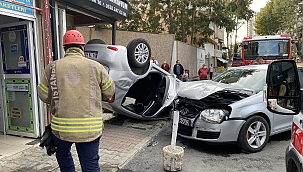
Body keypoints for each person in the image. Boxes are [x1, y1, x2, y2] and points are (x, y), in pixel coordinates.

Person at [37, 30, 115, 172]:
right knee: (90, 165)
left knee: (63, 156)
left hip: (61, 128)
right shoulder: (96, 67)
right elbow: (109, 91)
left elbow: (43, 94)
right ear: (82, 47)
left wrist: (57, 97)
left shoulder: (52, 67)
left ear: (64, 48)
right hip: (90, 129)